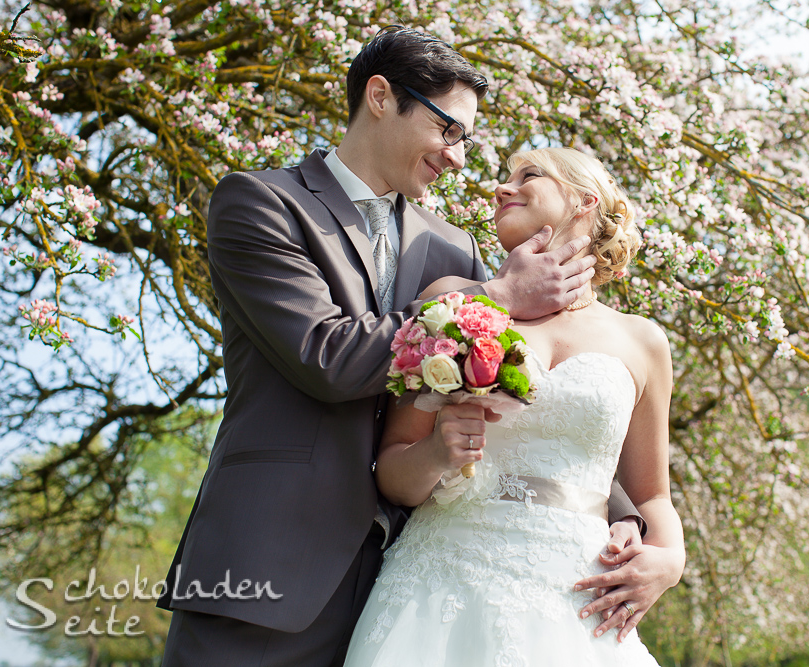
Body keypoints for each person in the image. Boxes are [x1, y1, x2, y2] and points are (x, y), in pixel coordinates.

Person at [157, 29, 653, 666]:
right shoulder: (261, 204)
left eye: (465, 141)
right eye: (449, 130)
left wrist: (619, 515)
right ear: (382, 96)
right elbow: (323, 356)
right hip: (270, 556)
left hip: (410, 579)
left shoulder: (453, 252)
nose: (457, 158)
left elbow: (517, 390)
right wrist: (495, 297)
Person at [343, 147, 686, 666]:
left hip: (577, 597)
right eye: (503, 179)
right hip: (439, 587)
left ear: (583, 201)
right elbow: (392, 471)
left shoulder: (642, 342)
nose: (502, 188)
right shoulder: (456, 301)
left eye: (528, 175)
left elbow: (651, 495)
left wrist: (669, 559)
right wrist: (438, 452)